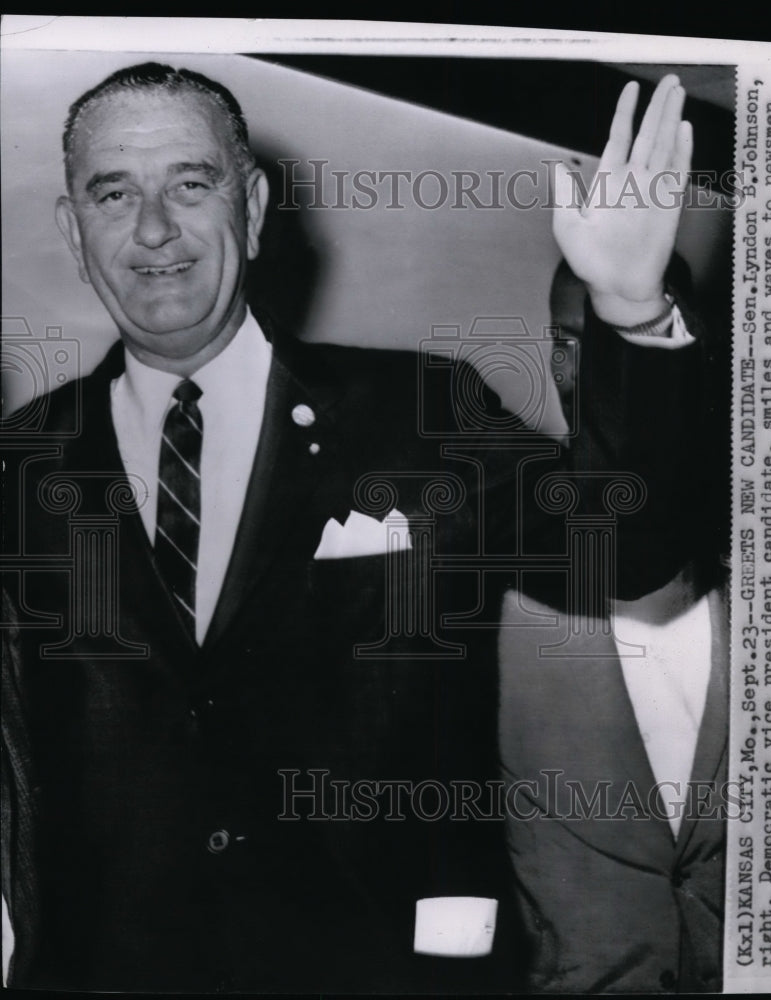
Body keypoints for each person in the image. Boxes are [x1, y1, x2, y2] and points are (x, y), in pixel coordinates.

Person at [1, 62, 707, 992]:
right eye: (114, 192)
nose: (154, 229)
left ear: (251, 208)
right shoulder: (21, 462)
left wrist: (625, 306)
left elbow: (624, 546)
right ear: (73, 227)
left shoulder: (416, 412)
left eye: (190, 183)